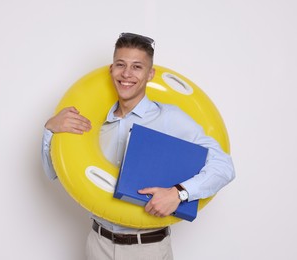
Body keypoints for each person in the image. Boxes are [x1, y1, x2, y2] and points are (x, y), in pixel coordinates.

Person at [41, 32, 235, 260]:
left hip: (147, 249)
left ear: (150, 74)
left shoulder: (170, 119)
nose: (126, 74)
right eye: (120, 65)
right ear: (111, 70)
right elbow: (52, 171)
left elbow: (224, 166)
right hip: (98, 244)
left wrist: (180, 193)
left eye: (137, 67)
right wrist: (50, 130)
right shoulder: (90, 124)